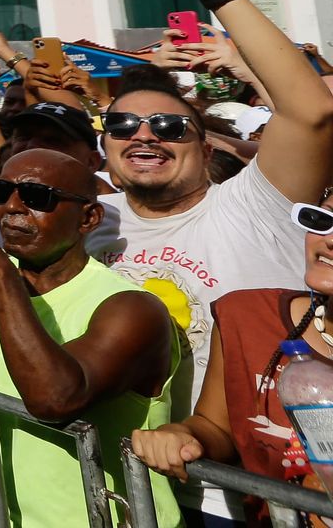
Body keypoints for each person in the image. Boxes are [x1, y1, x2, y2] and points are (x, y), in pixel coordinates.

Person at [97, 0, 333, 523]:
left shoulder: (251, 205)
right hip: (105, 480)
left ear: (207, 150)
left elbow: (312, 110)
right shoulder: (85, 222)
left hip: (241, 494)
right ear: (103, 145)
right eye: (125, 124)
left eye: (169, 127)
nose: (144, 135)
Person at [0, 148, 181, 527]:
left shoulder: (131, 308)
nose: (12, 208)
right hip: (4, 515)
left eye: (37, 198)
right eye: (1, 192)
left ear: (88, 218)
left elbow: (55, 399)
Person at [133, 194, 333, 524]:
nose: (328, 240)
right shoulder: (248, 317)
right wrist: (182, 436)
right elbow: (216, 427)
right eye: (322, 220)